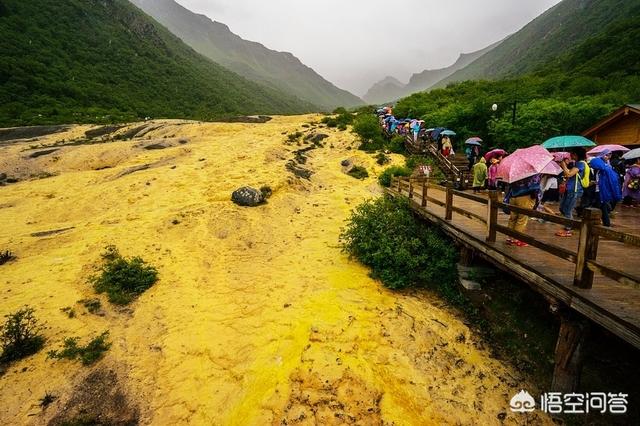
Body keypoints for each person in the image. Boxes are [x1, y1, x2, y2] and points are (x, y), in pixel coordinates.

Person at [557, 148, 588, 237]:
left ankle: (568, 229)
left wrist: (563, 165)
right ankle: (570, 224)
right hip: (569, 188)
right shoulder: (576, 163)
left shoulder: (581, 163)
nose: (570, 156)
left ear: (576, 154)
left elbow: (569, 174)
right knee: (562, 208)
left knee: (567, 210)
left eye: (571, 154)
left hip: (574, 190)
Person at [504, 174, 542, 247]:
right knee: (522, 218)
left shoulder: (515, 171)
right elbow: (535, 186)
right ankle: (517, 239)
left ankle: (509, 238)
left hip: (513, 196)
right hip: (525, 197)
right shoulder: (531, 173)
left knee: (513, 218)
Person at [589, 157, 622, 226]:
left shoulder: (604, 171)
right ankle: (605, 222)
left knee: (602, 208)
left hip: (602, 192)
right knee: (602, 207)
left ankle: (606, 223)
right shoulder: (601, 170)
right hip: (600, 192)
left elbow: (611, 182)